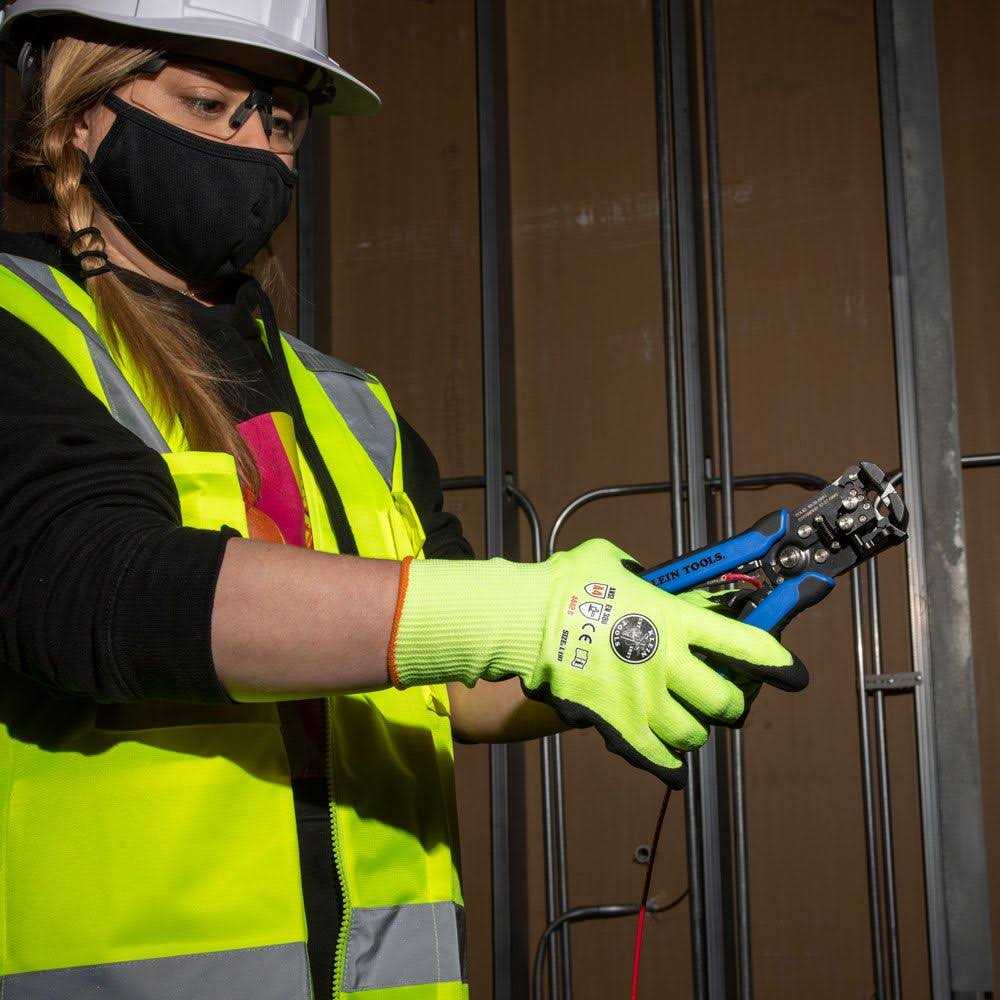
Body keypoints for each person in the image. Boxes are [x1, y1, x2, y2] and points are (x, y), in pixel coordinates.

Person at [0, 3, 807, 998]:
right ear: (78, 111)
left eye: (282, 122)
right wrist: (526, 613)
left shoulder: (351, 405)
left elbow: (459, 679)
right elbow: (97, 587)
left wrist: (617, 640)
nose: (255, 151)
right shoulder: (20, 324)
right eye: (208, 105)